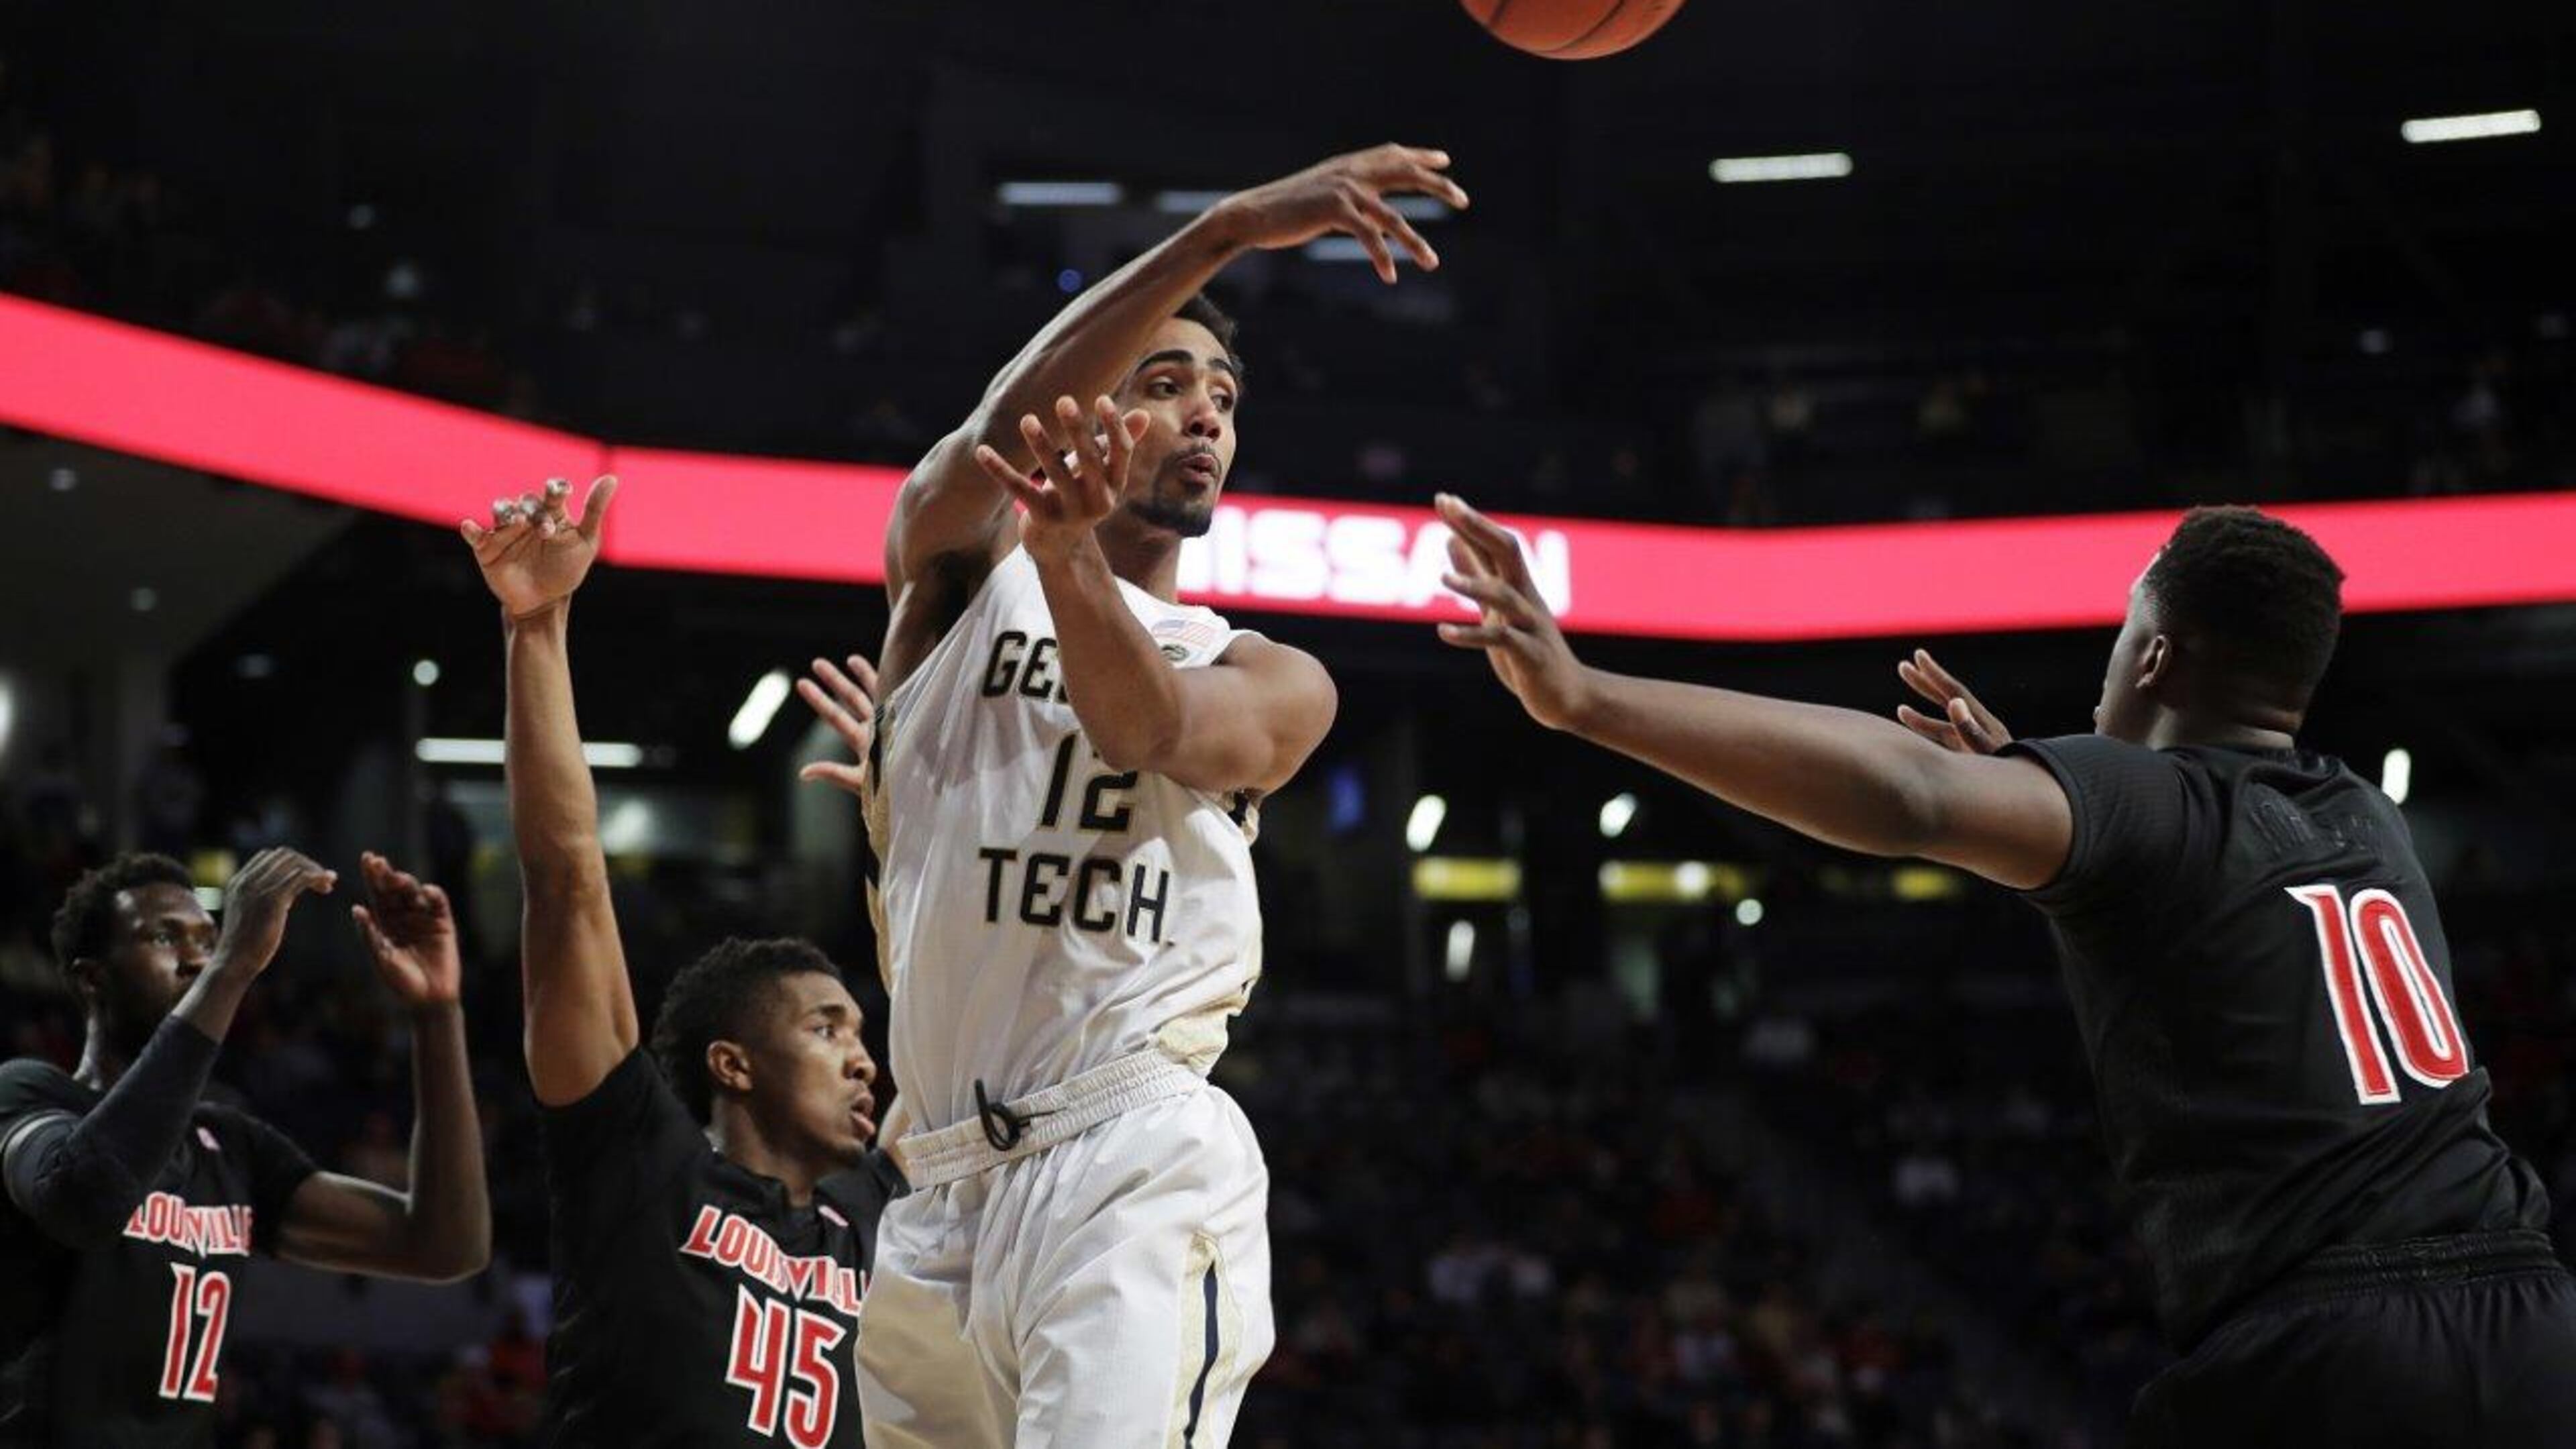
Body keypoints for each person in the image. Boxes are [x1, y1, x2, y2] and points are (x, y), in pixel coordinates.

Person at [1434, 495, 2576, 1446]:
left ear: (2159, 653)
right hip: (2531, 1317)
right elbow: (2197, 928)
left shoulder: (2154, 800)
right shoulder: (2363, 815)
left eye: (2125, 633)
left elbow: (1909, 795)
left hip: (2334, 1350)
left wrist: (1585, 699)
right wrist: (2029, 797)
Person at [842, 144, 1463, 1448]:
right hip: (932, 1187)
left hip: (1127, 1153)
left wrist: (1069, 563)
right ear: (1081, 411)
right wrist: (1222, 231)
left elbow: (1144, 726)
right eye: (1165, 384)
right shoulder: (956, 578)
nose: (1207, 418)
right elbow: (993, 431)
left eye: (1225, 398)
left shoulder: (1267, 673)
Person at [462, 478, 894, 1447]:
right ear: (732, 1063)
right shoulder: (639, 1167)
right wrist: (535, 628)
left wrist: (912, 828)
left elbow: (981, 985)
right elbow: (567, 886)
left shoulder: (881, 1211)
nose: (866, 1058)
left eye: (859, 1033)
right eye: (826, 1029)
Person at [0, 847, 488, 1446]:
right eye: (163, 936)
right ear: (91, 977)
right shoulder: (26, 1096)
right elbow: (86, 1197)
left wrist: (437, 1013)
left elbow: (445, 1244)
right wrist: (232, 965)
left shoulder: (231, 1147)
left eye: (208, 938)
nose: (197, 959)